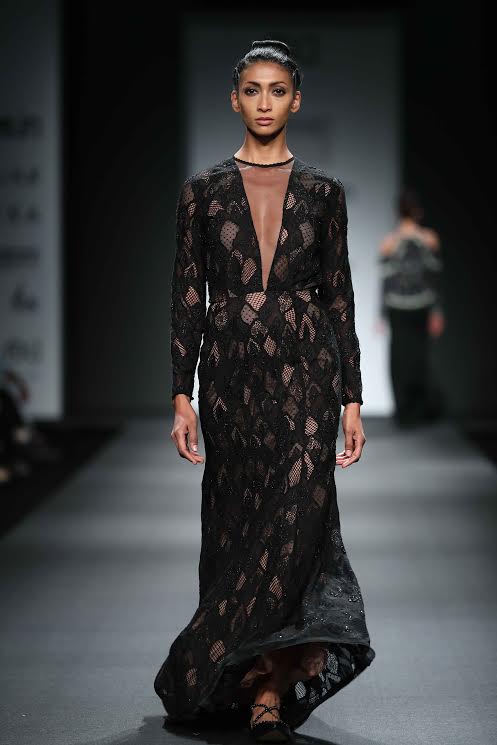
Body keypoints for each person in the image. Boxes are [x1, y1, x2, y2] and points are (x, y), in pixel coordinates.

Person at [154, 39, 375, 742]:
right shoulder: (202, 191)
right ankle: (238, 668)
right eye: (252, 89)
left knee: (299, 528)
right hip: (231, 383)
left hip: (308, 377)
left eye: (277, 90)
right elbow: (186, 296)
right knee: (241, 527)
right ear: (234, 99)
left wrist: (351, 398)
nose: (264, 102)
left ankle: (270, 691)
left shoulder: (323, 192)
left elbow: (339, 296)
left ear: (296, 100)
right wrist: (181, 394)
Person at [377, 188, 446, 428]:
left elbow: (385, 282)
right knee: (418, 357)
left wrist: (381, 314)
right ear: (418, 211)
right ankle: (416, 411)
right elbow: (434, 279)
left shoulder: (389, 243)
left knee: (399, 358)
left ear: (398, 211)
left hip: (397, 306)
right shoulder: (430, 239)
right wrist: (437, 311)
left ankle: (404, 412)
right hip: (421, 304)